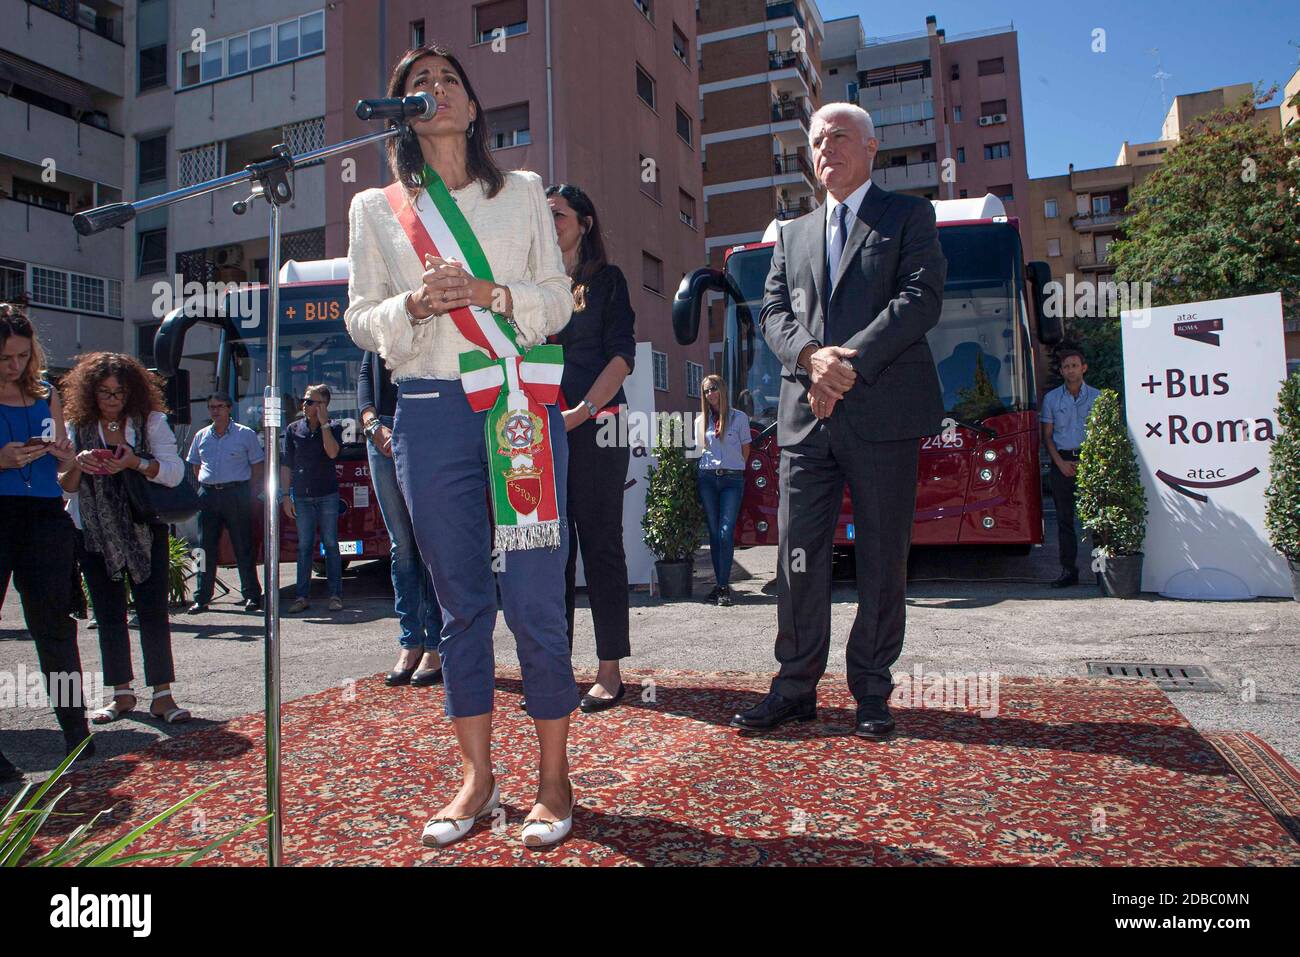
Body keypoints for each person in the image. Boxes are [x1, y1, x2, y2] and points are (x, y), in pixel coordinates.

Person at [345, 43, 578, 848]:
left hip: (517, 409)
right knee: (460, 605)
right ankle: (478, 780)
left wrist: (492, 295)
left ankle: (554, 778)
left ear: (475, 106)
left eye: (449, 81)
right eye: (416, 84)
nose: (434, 91)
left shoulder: (521, 194)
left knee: (536, 598)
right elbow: (358, 317)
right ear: (400, 109)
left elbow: (556, 304)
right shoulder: (377, 209)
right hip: (430, 409)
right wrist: (411, 304)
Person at [732, 103, 947, 739]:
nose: (827, 148)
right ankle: (794, 686)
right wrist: (808, 359)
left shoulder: (908, 216)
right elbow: (771, 311)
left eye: (840, 137)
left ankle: (872, 691)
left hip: (882, 411)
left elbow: (920, 299)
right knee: (796, 558)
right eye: (818, 140)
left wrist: (843, 365)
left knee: (883, 557)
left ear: (872, 148)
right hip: (805, 419)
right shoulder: (790, 232)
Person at [59, 352, 191, 726]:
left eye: (119, 392)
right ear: (90, 392)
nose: (112, 399)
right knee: (108, 615)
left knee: (153, 612)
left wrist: (134, 462)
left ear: (132, 392)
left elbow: (174, 473)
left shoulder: (149, 422)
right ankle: (121, 694)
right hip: (94, 533)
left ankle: (163, 696)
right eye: (104, 392)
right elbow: (65, 489)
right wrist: (78, 464)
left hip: (144, 530)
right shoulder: (76, 425)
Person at [546, 183, 635, 713]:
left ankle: (610, 670)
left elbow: (621, 358)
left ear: (584, 222)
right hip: (544, 431)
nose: (548, 221)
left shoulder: (609, 281)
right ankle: (557, 663)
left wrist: (580, 412)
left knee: (600, 545)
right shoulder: (535, 284)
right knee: (553, 551)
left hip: (600, 426)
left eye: (557, 214)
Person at [0, 304, 89, 776]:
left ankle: (76, 732)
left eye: (21, 356)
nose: (15, 367)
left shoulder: (45, 392)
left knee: (55, 627)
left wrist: (68, 458)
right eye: (5, 359)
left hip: (44, 518)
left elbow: (65, 476)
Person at [358, 350, 443, 685]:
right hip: (380, 432)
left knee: (426, 542)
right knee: (402, 546)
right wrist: (371, 424)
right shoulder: (381, 316)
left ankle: (436, 644)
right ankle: (410, 642)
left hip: (423, 425)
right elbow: (365, 376)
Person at [185, 393, 264, 613]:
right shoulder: (202, 435)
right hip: (208, 494)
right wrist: (206, 485)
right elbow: (195, 465)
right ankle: (201, 597)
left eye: (219, 406)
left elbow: (257, 466)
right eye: (211, 407)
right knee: (203, 548)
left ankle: (251, 595)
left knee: (243, 546)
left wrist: (249, 491)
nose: (215, 411)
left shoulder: (244, 434)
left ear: (229, 408)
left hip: (236, 493)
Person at [281, 384, 343, 614]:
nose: (304, 405)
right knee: (304, 546)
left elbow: (333, 452)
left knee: (331, 545)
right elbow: (287, 464)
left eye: (310, 401)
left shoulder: (334, 427)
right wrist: (286, 495)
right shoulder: (293, 429)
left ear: (323, 405)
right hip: (303, 497)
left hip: (327, 495)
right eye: (305, 400)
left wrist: (324, 424)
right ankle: (301, 596)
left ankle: (335, 595)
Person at [1041, 349, 1101, 588]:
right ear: (1061, 370)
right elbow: (1047, 437)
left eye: (1074, 365)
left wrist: (1090, 463)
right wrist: (1060, 463)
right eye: (1066, 366)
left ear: (1083, 368)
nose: (1070, 370)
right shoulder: (1052, 399)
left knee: (1096, 521)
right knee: (1065, 521)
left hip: (1090, 462)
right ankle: (1068, 571)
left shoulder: (1098, 397)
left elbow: (1102, 435)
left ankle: (1101, 570)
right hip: (1062, 462)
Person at [695, 375, 751, 607]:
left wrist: (733, 467)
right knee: (714, 532)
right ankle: (721, 586)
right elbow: (700, 450)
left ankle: (723, 586)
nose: (710, 394)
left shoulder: (739, 418)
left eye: (714, 389)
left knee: (726, 532)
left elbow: (746, 450)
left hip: (731, 479)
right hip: (707, 478)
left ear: (722, 390)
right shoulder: (701, 420)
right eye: (706, 391)